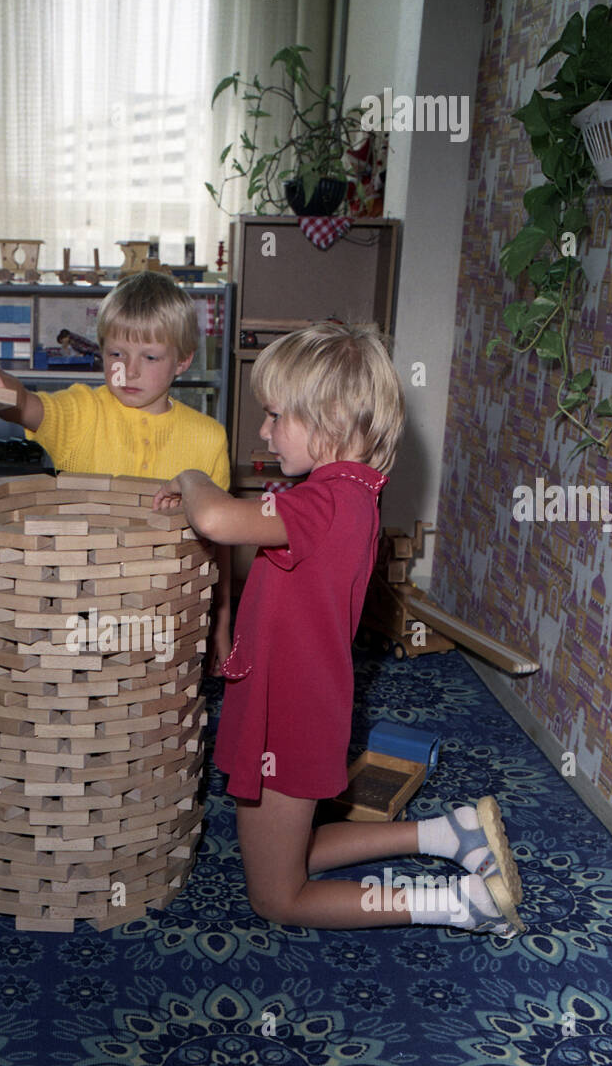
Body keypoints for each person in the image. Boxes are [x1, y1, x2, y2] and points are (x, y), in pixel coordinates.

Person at [152, 322, 524, 933]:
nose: (264, 431)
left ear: (327, 418)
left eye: (275, 415)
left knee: (278, 898)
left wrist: (191, 476)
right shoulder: (346, 495)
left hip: (288, 713)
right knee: (287, 851)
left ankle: (460, 906)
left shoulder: (323, 503)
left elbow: (216, 520)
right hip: (297, 702)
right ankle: (447, 832)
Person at [0, 271, 234, 673]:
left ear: (183, 360)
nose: (129, 371)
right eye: (116, 355)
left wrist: (222, 619)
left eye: (150, 357)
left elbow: (219, 544)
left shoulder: (208, 438)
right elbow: (26, 405)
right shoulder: (82, 412)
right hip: (75, 611)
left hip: (163, 616)